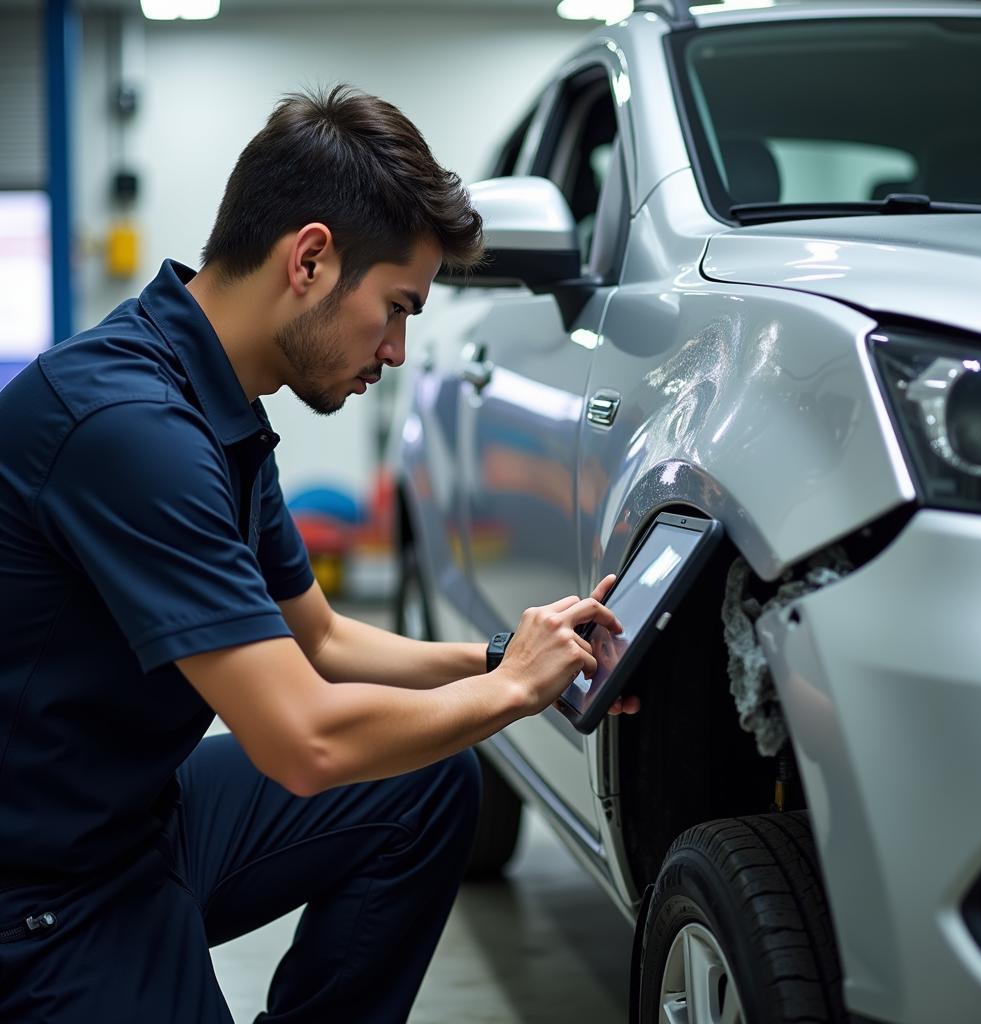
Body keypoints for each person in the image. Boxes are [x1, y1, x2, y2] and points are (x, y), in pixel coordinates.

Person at [0, 85, 633, 1023]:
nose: (399, 349)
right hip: (40, 894)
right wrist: (512, 695)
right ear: (310, 259)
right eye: (395, 308)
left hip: (137, 816)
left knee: (427, 782)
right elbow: (302, 742)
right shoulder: (132, 430)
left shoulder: (217, 400)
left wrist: (508, 655)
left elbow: (323, 641)